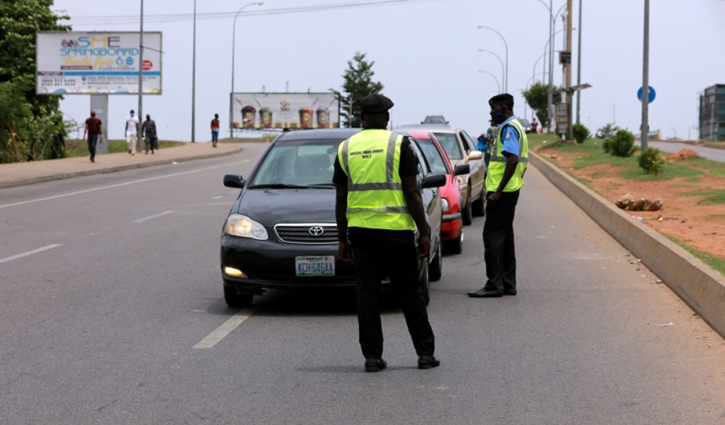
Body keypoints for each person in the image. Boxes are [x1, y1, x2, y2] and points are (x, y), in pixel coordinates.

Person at [333, 93, 439, 373]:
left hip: (361, 233)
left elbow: (340, 198)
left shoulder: (345, 148)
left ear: (362, 118)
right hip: (395, 233)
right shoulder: (398, 144)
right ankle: (425, 354)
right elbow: (413, 192)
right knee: (409, 293)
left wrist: (342, 238)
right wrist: (424, 231)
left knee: (367, 294)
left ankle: (372, 357)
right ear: (387, 117)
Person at [468, 93, 529, 298]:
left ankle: (494, 284)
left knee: (492, 237)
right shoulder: (516, 126)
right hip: (510, 189)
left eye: (493, 108)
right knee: (505, 237)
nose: (491, 112)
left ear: (504, 108)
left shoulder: (509, 129)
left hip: (502, 192)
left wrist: (499, 191)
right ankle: (508, 283)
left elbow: (512, 160)